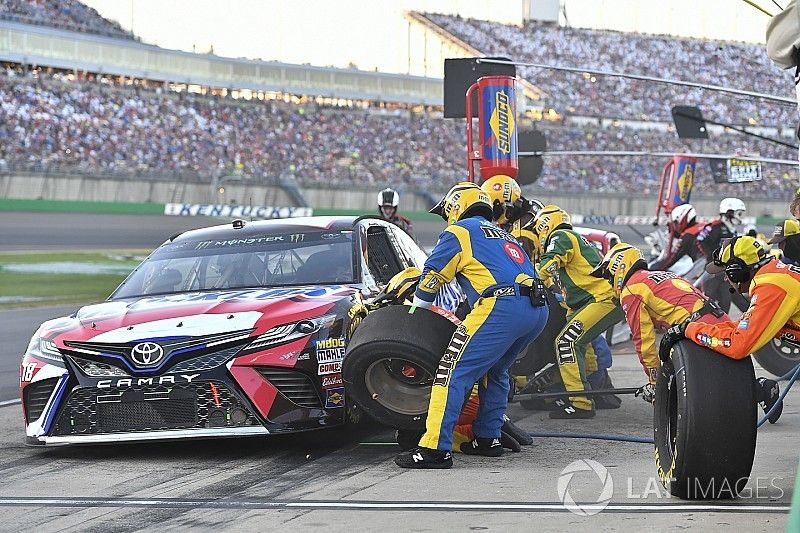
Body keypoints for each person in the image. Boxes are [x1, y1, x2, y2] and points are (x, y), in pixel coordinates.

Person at [394, 182, 548, 469]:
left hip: (502, 305)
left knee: (451, 371)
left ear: (455, 206)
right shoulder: (505, 234)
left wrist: (414, 313)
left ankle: (434, 449)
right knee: (496, 372)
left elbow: (432, 276)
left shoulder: (459, 231)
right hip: (537, 308)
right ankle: (488, 439)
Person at [592, 242, 782, 421]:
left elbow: (643, 341)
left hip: (696, 327)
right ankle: (760, 389)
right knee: (717, 374)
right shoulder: (656, 276)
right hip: (715, 317)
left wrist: (654, 383)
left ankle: (759, 390)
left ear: (619, 267)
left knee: (698, 384)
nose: (609, 282)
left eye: (608, 276)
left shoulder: (631, 290)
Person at [480, 175, 620, 410]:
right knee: (580, 338)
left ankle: (581, 391)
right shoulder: (530, 217)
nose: (494, 218)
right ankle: (594, 385)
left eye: (493, 210)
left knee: (563, 340)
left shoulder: (525, 230)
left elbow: (531, 268)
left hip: (552, 292)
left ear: (503, 205)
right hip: (568, 293)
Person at [662, 237, 796, 409]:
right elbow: (741, 326)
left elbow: (737, 345)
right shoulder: (775, 275)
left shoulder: (772, 286)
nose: (726, 279)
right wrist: (688, 329)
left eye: (726, 272)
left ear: (737, 271)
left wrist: (689, 330)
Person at [532, 204, 625, 418]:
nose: (538, 235)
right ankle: (592, 392)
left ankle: (580, 402)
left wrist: (528, 278)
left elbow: (548, 265)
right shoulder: (574, 237)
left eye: (538, 229)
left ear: (546, 224)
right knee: (583, 345)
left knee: (566, 342)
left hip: (601, 299)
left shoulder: (561, 235)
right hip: (600, 299)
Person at [695, 198, 749, 313]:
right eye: (739, 213)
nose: (740, 217)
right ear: (729, 212)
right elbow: (700, 241)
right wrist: (712, 259)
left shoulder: (732, 230)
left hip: (725, 272)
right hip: (714, 273)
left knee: (726, 302)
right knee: (709, 301)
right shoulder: (715, 226)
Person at [649, 203, 704, 274]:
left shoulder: (687, 236)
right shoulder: (704, 227)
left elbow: (671, 259)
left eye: (676, 222)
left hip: (705, 271)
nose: (675, 226)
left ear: (683, 218)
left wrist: (651, 270)